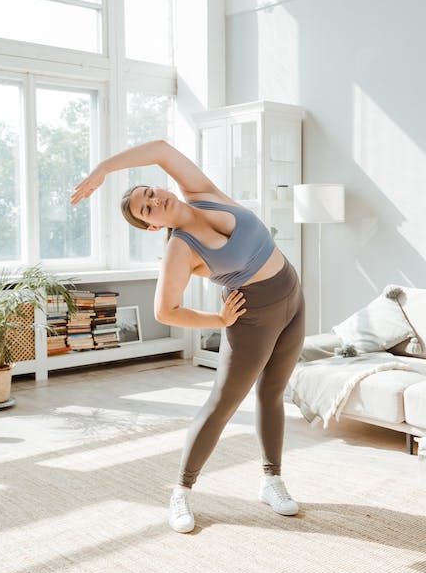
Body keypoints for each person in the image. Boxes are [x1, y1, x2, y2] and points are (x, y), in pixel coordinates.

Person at [71, 139, 305, 533]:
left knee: (272, 393)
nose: (155, 200)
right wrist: (218, 320)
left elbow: (161, 149)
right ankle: (181, 490)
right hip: (251, 317)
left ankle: (271, 480)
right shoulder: (180, 249)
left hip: (293, 297)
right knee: (222, 405)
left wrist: (104, 170)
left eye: (150, 192)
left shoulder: (203, 193)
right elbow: (165, 311)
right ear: (152, 225)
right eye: (147, 208)